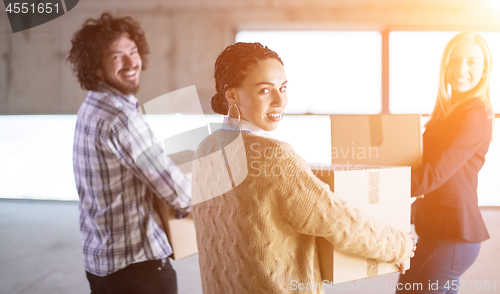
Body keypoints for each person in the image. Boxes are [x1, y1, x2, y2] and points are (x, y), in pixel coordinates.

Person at [191, 42, 416, 294]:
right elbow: (337, 221)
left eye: (283, 88)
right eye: (265, 90)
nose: (280, 101)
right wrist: (398, 245)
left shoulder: (205, 148)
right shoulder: (273, 156)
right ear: (231, 95)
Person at [68, 12, 191, 294]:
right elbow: (181, 194)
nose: (131, 62)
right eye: (116, 56)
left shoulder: (92, 105)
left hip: (101, 262)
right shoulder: (121, 117)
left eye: (133, 51)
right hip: (138, 268)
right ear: (96, 68)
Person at [396, 32, 493, 294]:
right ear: (445, 66)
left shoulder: (475, 114)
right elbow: (438, 183)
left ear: (484, 70)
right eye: (455, 60)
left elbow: (433, 174)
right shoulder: (450, 112)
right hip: (436, 231)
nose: (462, 69)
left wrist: (381, 192)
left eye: (472, 62)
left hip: (452, 236)